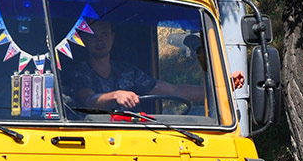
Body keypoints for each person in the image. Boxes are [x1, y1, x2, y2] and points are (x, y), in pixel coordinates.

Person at [68, 20, 204, 110]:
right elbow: (88, 100)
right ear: (84, 40)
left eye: (104, 34)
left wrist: (213, 92)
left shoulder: (127, 72)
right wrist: (115, 95)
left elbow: (173, 90)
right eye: (92, 36)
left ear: (113, 37)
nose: (99, 40)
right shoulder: (79, 72)